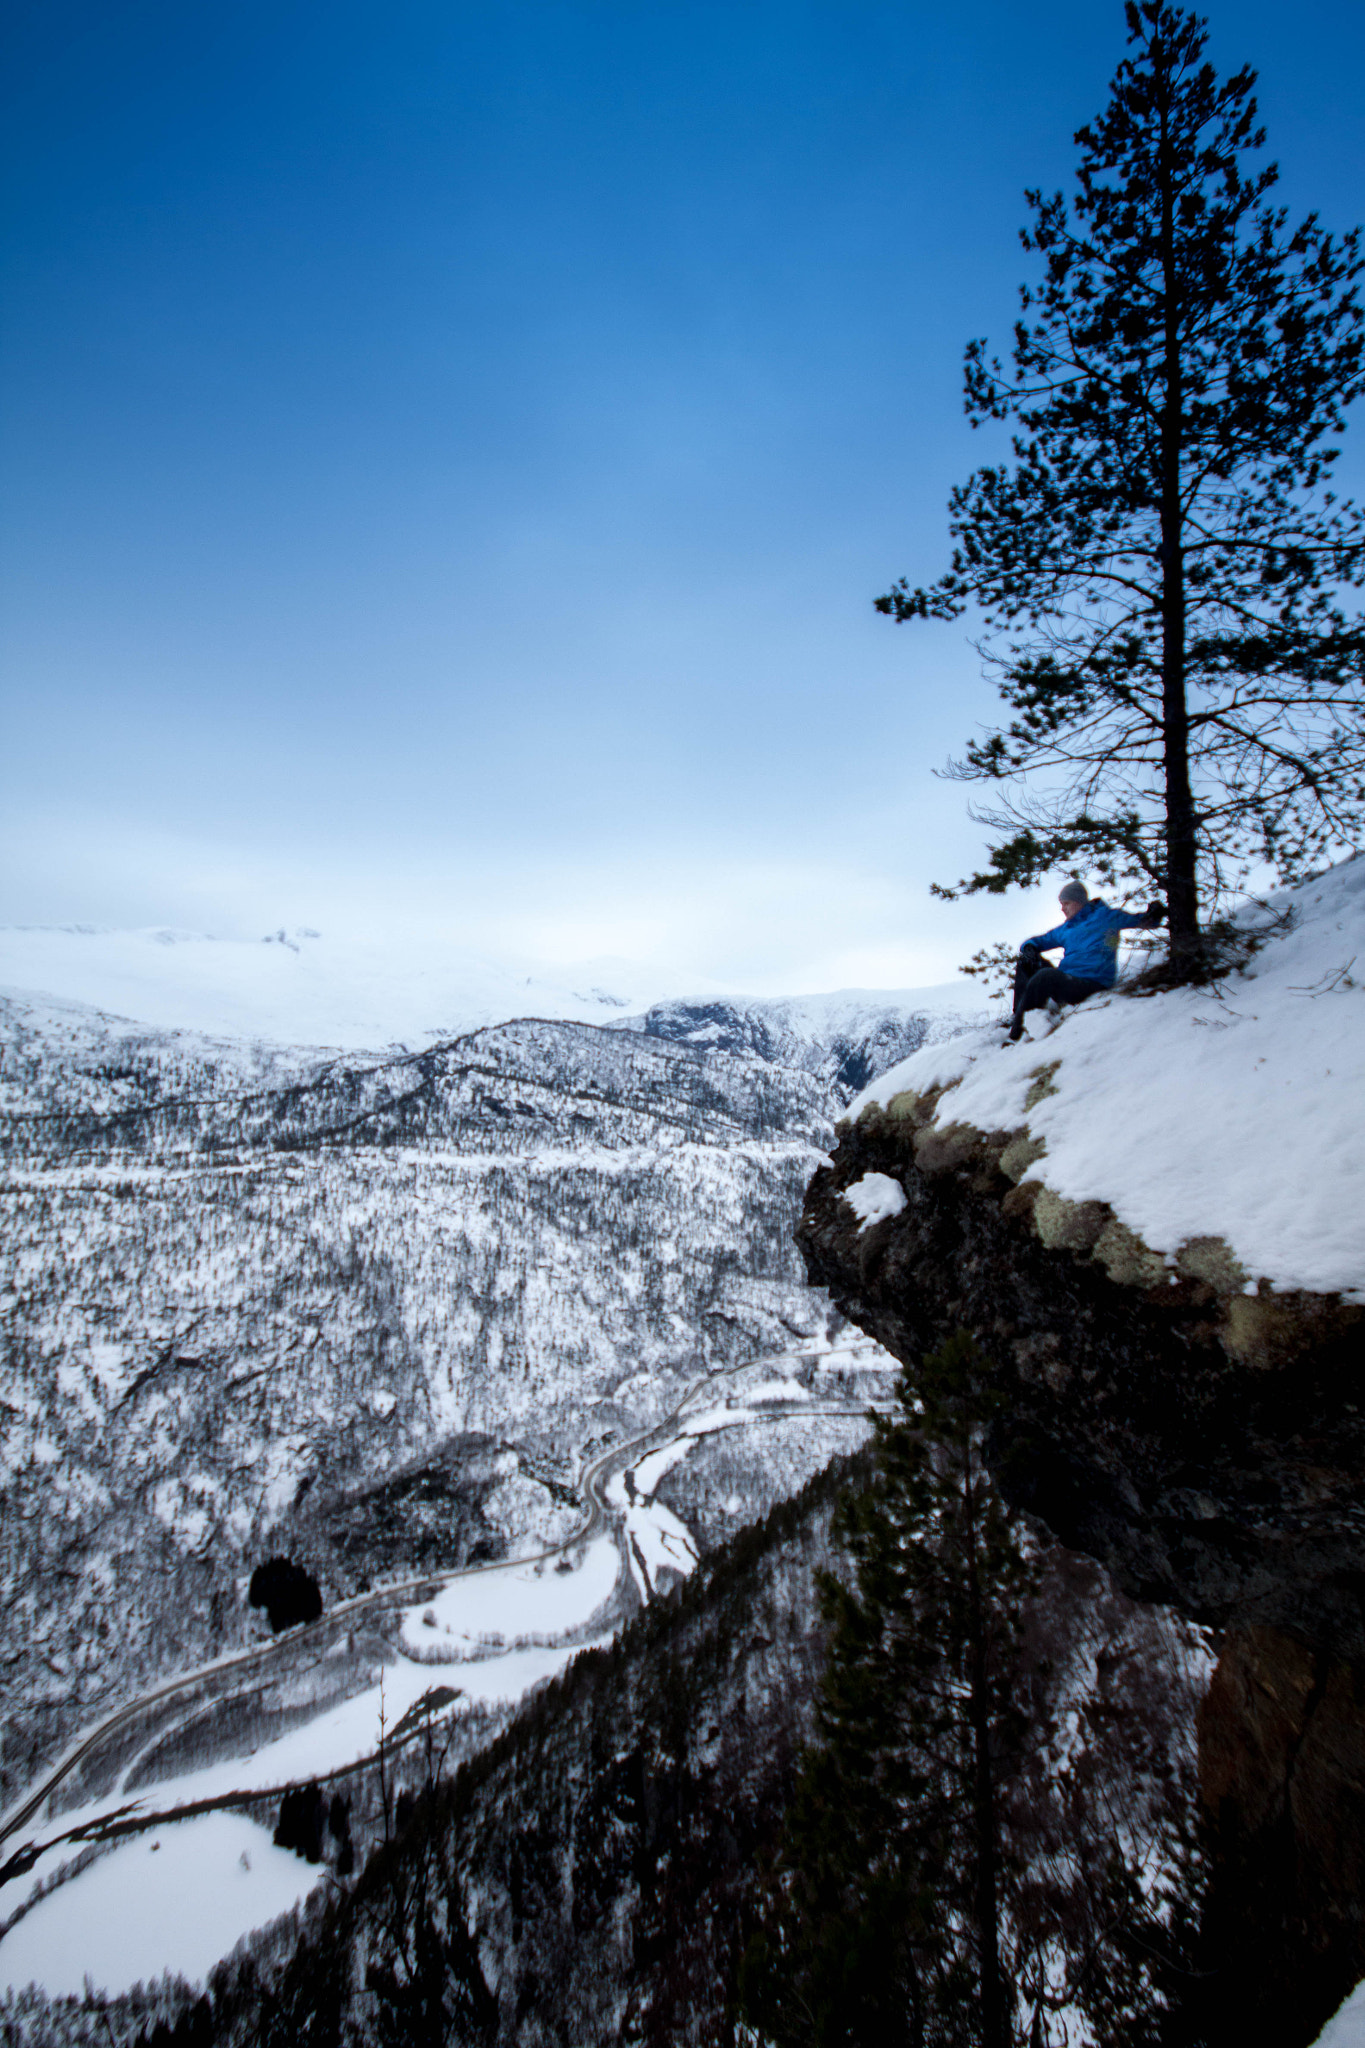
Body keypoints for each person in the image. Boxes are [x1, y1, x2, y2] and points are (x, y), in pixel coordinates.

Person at [1004, 881, 1165, 1044]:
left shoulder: (1105, 917)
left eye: (1066, 903)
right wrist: (1029, 947)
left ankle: (1015, 1035)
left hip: (1091, 983)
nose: (1063, 908)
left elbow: (1140, 921)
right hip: (1067, 981)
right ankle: (1019, 1016)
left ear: (1078, 901)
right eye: (1061, 904)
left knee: (1045, 976)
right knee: (1026, 960)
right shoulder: (1067, 928)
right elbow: (1039, 941)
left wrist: (1153, 915)